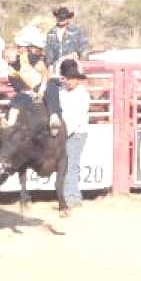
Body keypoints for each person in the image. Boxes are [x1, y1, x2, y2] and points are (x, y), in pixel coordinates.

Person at [6, 27, 63, 136]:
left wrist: (41, 89)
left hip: (41, 85)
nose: (18, 49)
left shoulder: (31, 58)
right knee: (17, 100)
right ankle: (10, 123)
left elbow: (45, 74)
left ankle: (53, 116)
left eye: (20, 47)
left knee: (51, 88)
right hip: (28, 91)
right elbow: (16, 85)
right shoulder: (12, 67)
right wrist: (27, 91)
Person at [59, 59, 90, 208]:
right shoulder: (62, 92)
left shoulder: (82, 94)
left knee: (70, 164)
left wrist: (63, 132)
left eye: (72, 77)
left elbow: (77, 118)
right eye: (68, 77)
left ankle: (72, 197)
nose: (70, 80)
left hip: (76, 133)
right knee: (68, 164)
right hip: (67, 131)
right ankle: (72, 196)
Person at [45, 7, 89, 76]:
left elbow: (84, 47)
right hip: (56, 66)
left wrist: (78, 56)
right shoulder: (51, 33)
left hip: (72, 65)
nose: (61, 19)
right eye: (60, 17)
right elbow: (49, 51)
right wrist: (50, 66)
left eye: (64, 17)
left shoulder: (76, 31)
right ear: (56, 17)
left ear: (68, 18)